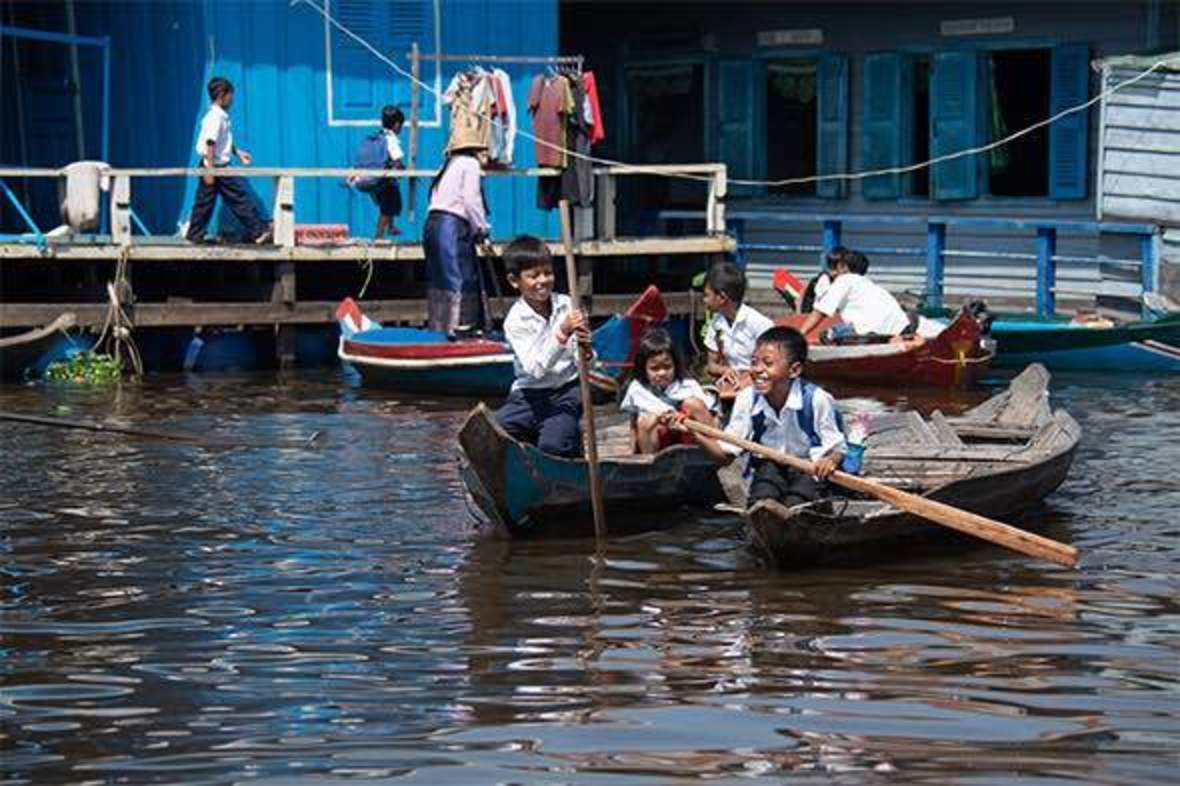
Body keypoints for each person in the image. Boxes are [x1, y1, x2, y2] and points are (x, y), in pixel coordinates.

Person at [668, 326, 845, 509]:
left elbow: (837, 448)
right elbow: (725, 457)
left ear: (794, 370)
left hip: (809, 468)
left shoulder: (817, 399)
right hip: (770, 467)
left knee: (796, 506)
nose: (757, 370)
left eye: (767, 364)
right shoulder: (747, 398)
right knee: (761, 505)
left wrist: (829, 461)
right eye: (754, 362)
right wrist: (694, 433)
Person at [494, 235, 590, 458]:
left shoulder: (568, 305)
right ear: (514, 280)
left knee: (554, 447)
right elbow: (535, 370)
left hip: (565, 391)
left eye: (547, 273)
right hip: (528, 396)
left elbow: (585, 360)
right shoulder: (516, 320)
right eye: (533, 275)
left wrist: (586, 349)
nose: (542, 281)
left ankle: (563, 443)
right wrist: (563, 332)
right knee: (493, 434)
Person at [186, 76, 270, 244]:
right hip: (215, 167)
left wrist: (237, 152)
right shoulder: (215, 117)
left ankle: (194, 235)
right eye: (231, 96)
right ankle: (258, 231)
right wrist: (210, 170)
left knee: (205, 202)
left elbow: (220, 142)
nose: (232, 100)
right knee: (238, 199)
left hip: (213, 165)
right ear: (222, 96)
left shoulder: (218, 116)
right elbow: (210, 143)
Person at [423, 143, 490, 335]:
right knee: (461, 278)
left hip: (433, 225)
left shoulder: (448, 165)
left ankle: (440, 327)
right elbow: (471, 200)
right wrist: (481, 228)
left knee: (440, 279)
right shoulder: (470, 164)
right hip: (451, 226)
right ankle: (462, 328)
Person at [619, 327, 717, 454]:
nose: (662, 373)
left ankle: (713, 450)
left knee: (693, 404)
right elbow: (634, 423)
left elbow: (711, 414)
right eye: (654, 368)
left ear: (675, 365)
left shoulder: (687, 385)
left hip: (688, 434)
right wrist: (631, 450)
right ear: (644, 369)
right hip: (658, 439)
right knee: (645, 421)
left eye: (667, 367)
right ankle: (650, 464)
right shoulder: (638, 389)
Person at [797, 250, 910, 341]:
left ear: (843, 267)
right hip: (898, 328)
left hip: (872, 330)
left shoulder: (843, 280)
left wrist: (800, 334)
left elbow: (820, 312)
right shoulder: (867, 284)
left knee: (827, 335)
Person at [702, 260, 774, 393]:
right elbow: (711, 365)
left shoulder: (759, 324)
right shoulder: (716, 323)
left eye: (707, 295)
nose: (704, 300)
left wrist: (748, 379)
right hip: (732, 383)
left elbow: (772, 365)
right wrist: (725, 370)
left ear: (722, 298)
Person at [370, 105, 405, 240]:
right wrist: (402, 168)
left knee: (388, 205)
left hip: (375, 180)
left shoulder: (379, 136)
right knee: (388, 207)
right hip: (385, 180)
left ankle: (390, 227)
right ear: (396, 125)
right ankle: (379, 236)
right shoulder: (391, 139)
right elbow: (397, 160)